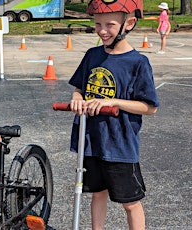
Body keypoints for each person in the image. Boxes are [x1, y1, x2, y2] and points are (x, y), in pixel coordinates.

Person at [68, 0, 159, 229]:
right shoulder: (92, 55)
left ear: (129, 23)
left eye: (109, 25)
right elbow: (80, 88)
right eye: (98, 24)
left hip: (120, 144)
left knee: (130, 203)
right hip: (92, 140)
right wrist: (77, 99)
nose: (102, 30)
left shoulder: (137, 63)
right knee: (97, 194)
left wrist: (113, 101)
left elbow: (150, 107)